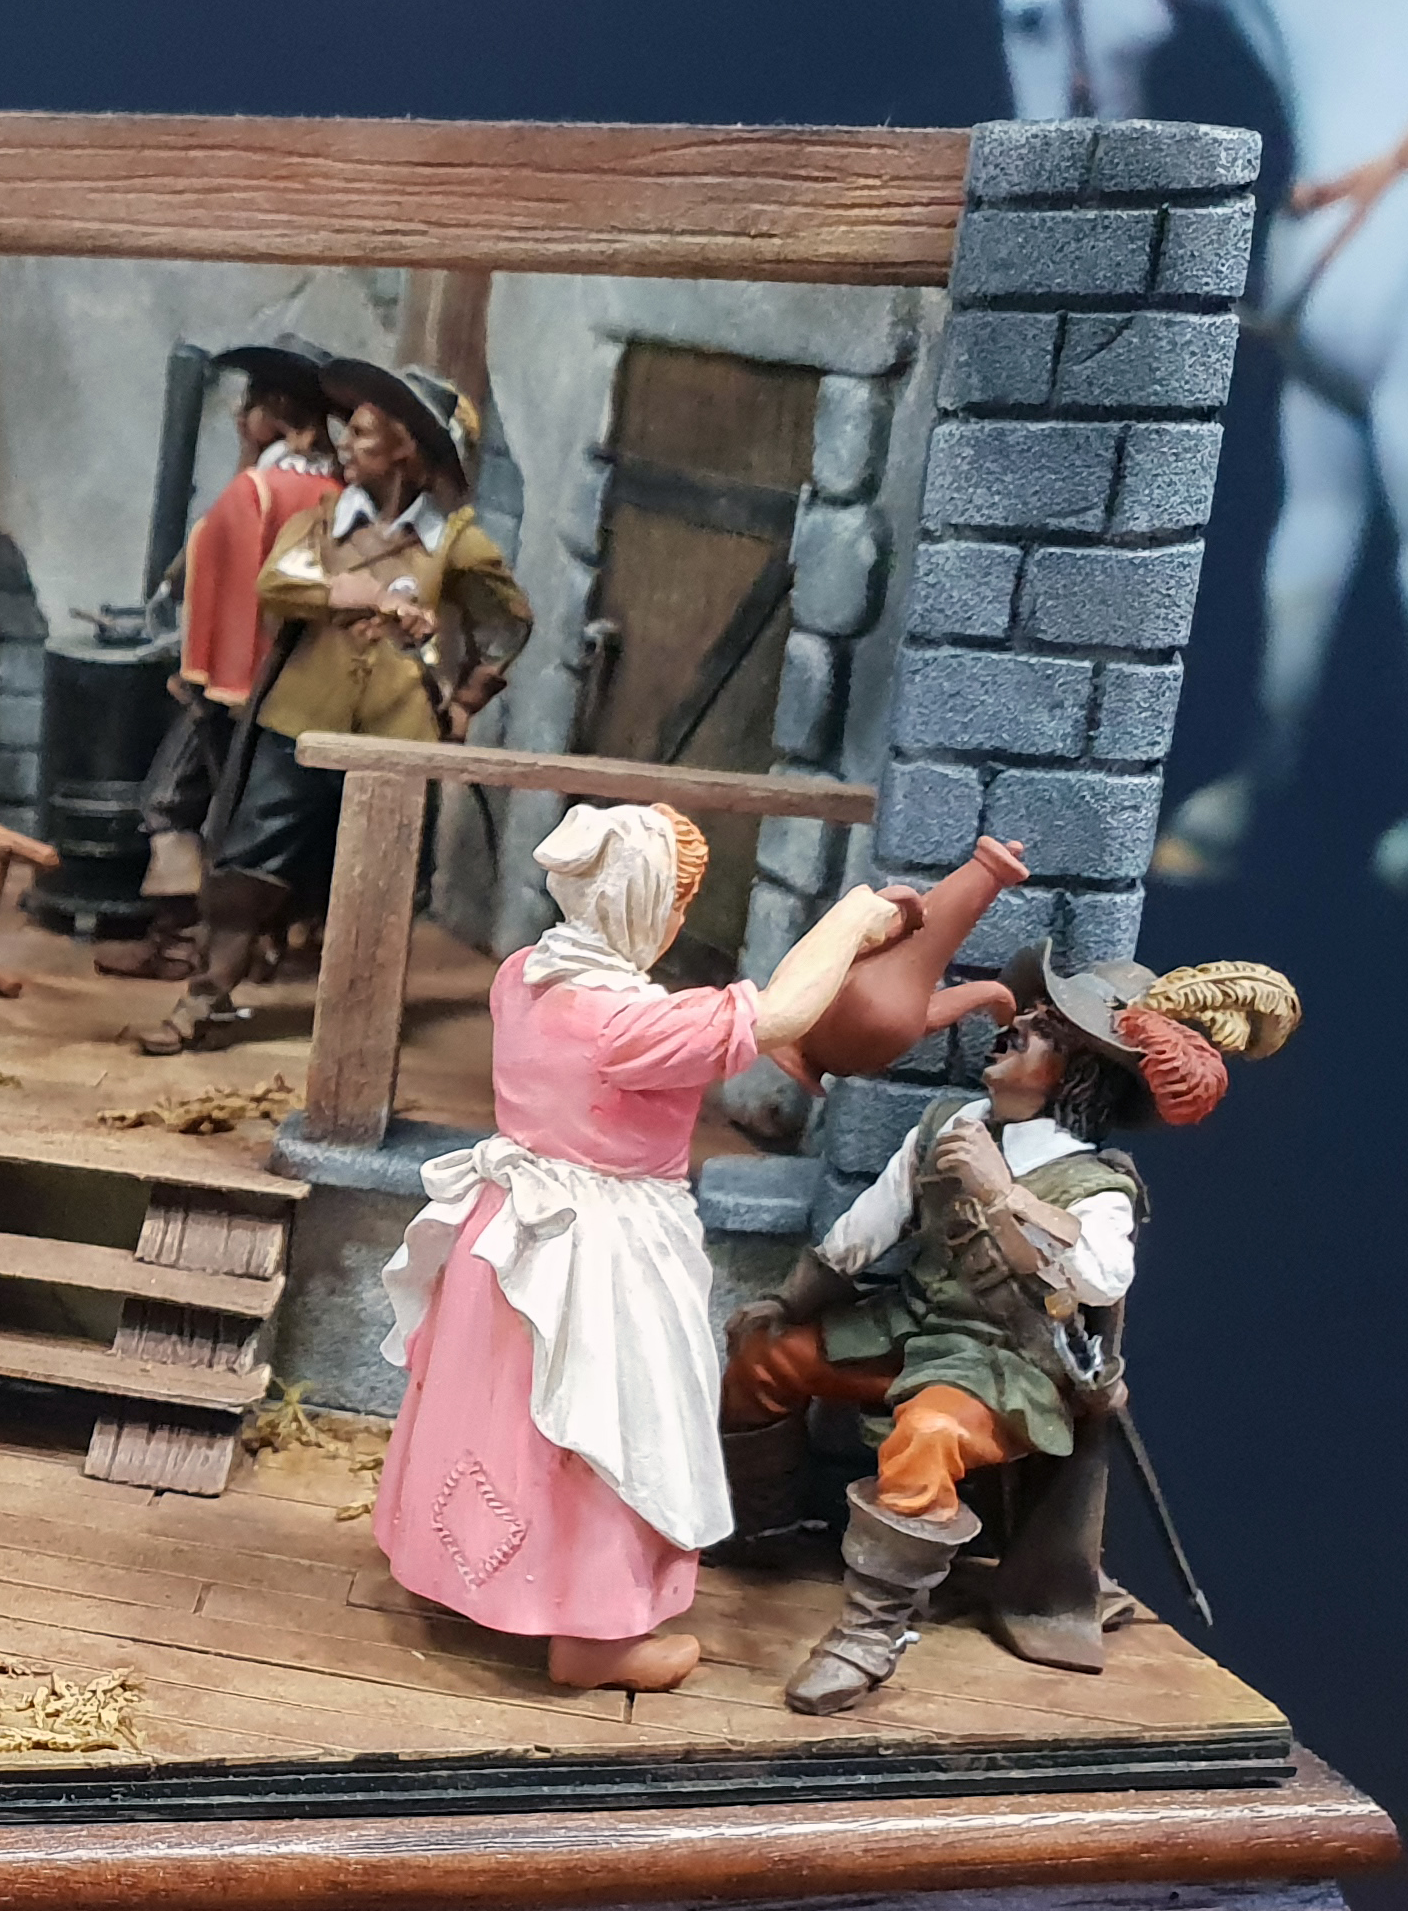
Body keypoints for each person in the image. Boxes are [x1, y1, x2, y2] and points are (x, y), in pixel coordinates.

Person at [368, 808, 905, 1693]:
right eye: (677, 901)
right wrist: (852, 918)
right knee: (610, 1424)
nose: (678, 920)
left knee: (501, 1409)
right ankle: (594, 1633)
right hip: (598, 1251)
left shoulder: (523, 975)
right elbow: (781, 1012)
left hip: (503, 1235)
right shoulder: (631, 1024)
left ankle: (467, 1571)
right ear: (648, 905)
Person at [724, 946, 1298, 1716]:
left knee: (928, 1434)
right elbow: (864, 1232)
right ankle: (760, 1534)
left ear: (1075, 1074)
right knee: (764, 1357)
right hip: (908, 1328)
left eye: (1044, 1030)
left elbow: (1100, 1279)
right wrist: (788, 1303)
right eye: (1030, 1016)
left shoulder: (1096, 1188)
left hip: (1005, 1366)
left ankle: (870, 1634)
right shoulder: (949, 1127)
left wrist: (1004, 1195)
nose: (1016, 1025)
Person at [139, 357, 527, 1056]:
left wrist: (467, 698)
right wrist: (356, 594)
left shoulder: (454, 544)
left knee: (378, 884)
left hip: (395, 737)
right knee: (244, 866)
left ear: (406, 448)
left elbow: (507, 624)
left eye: (365, 432)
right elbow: (276, 585)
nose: (343, 442)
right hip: (299, 724)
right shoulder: (322, 524)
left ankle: (359, 1027)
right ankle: (206, 999)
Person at [106, 338, 343, 979]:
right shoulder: (332, 489)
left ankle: (182, 944)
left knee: (173, 803)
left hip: (235, 687)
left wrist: (204, 680)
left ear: (276, 411)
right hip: (296, 691)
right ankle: (245, 943)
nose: (240, 416)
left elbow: (238, 596)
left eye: (250, 404)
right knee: (243, 818)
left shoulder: (259, 490)